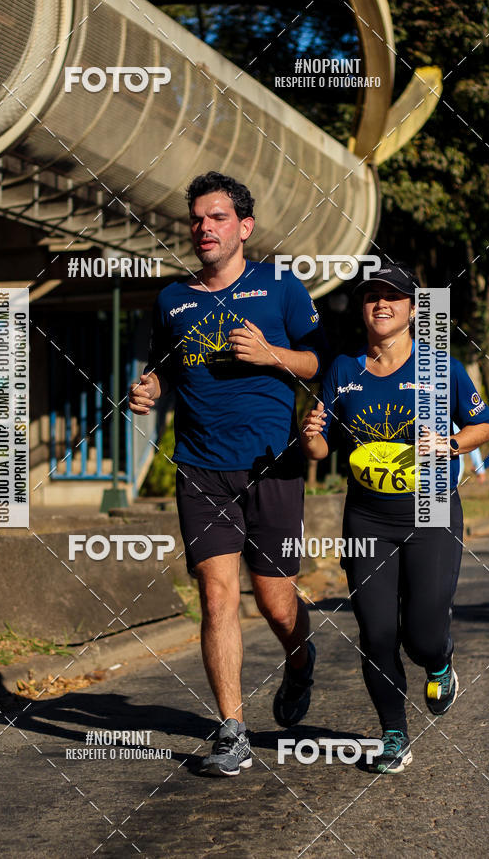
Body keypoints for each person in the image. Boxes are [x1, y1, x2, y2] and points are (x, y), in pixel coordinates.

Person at [129, 171, 327, 776]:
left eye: (217, 217)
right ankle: (232, 730)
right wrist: (150, 388)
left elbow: (320, 362)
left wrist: (272, 354)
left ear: (245, 227)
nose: (204, 227)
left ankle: (300, 659)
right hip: (200, 467)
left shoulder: (280, 286)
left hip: (272, 465)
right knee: (216, 598)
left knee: (275, 602)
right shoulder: (172, 299)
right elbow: (163, 367)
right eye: (196, 218)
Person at [301, 261, 489, 774]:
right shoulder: (343, 369)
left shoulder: (440, 367)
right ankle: (393, 734)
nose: (381, 304)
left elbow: (486, 426)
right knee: (377, 632)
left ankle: (440, 660)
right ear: (363, 309)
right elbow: (321, 449)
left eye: (393, 296)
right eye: (372, 297)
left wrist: (450, 443)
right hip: (367, 515)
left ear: (412, 309)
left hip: (431, 506)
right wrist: (310, 433)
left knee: (422, 635)